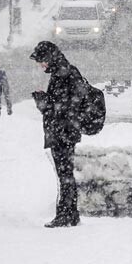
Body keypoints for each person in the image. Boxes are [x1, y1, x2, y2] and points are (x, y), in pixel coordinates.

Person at [29, 40, 85, 228]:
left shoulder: (63, 73)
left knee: (64, 174)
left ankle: (65, 214)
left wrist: (42, 102)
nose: (41, 65)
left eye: (42, 61)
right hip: (66, 130)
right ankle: (72, 213)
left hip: (63, 131)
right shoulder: (65, 71)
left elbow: (62, 107)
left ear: (49, 57)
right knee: (65, 173)